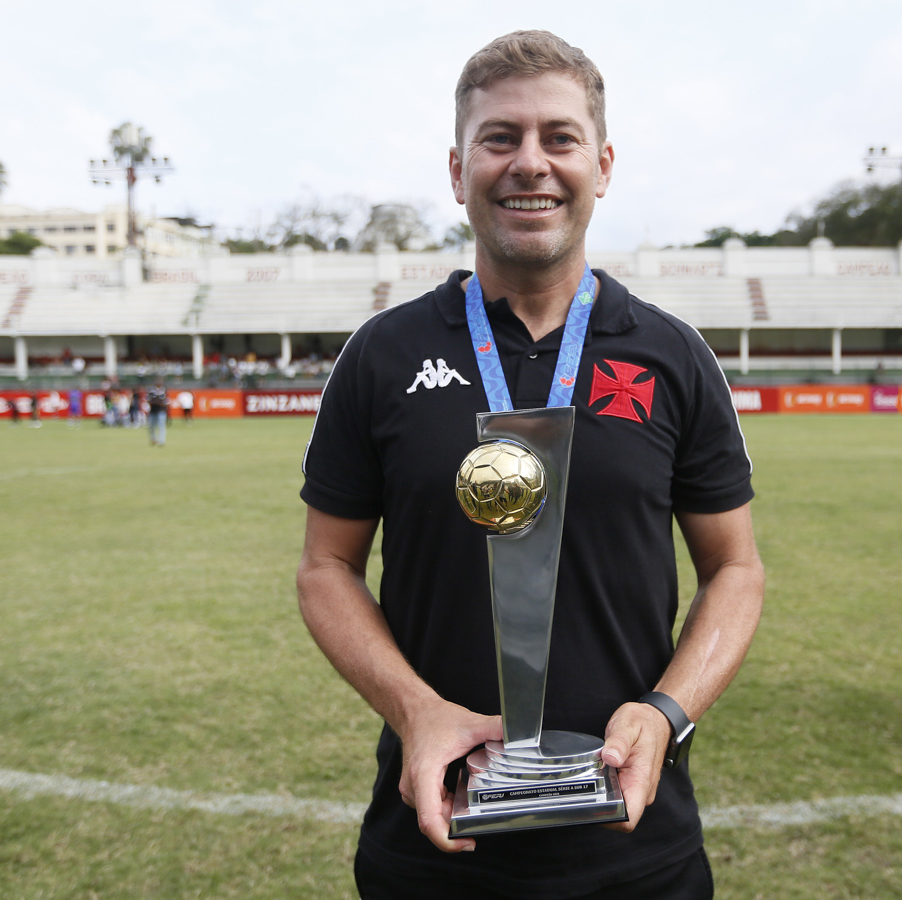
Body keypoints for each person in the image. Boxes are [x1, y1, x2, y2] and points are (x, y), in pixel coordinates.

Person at [296, 31, 763, 899]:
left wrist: (667, 714)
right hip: (433, 845)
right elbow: (326, 567)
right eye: (499, 138)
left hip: (636, 851)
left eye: (559, 137)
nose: (529, 163)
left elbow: (735, 569)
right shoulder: (380, 354)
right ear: (457, 167)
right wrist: (417, 711)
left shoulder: (674, 356)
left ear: (603, 162)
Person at [147, 382, 169, 447]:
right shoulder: (152, 391)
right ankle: (153, 439)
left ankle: (161, 441)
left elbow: (166, 402)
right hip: (153, 411)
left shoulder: (164, 391)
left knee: (161, 426)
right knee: (151, 426)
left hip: (161, 411)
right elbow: (149, 400)